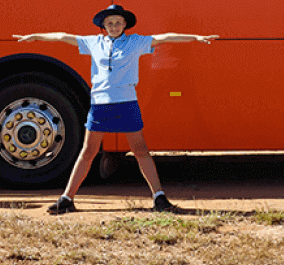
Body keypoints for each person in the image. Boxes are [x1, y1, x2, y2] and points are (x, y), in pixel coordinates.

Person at [16, 5, 217, 215]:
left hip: (127, 103)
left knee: (140, 151)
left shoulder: (135, 42)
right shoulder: (93, 42)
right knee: (88, 152)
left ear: (125, 24)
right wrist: (35, 36)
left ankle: (159, 198)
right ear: (103, 25)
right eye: (110, 23)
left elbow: (165, 37)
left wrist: (195, 37)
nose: (114, 26)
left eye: (118, 22)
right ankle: (67, 199)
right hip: (100, 105)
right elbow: (63, 37)